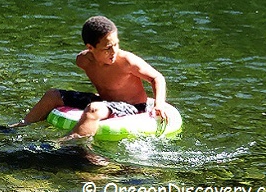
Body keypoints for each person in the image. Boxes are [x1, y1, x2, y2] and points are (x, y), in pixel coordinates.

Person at [9, 16, 169, 139]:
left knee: (94, 109)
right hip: (106, 101)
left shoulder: (127, 61)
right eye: (107, 48)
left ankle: (67, 143)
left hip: (132, 107)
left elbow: (157, 78)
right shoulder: (83, 61)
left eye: (116, 44)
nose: (114, 51)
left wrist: (159, 104)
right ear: (90, 47)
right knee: (53, 95)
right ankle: (19, 127)